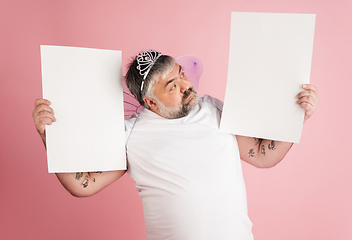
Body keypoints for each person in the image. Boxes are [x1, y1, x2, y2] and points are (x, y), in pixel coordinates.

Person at [33, 50, 318, 239]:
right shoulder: (130, 134)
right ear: (150, 102)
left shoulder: (214, 109)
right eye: (172, 85)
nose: (186, 85)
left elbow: (260, 155)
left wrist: (295, 119)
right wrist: (51, 138)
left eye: (181, 74)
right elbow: (86, 184)